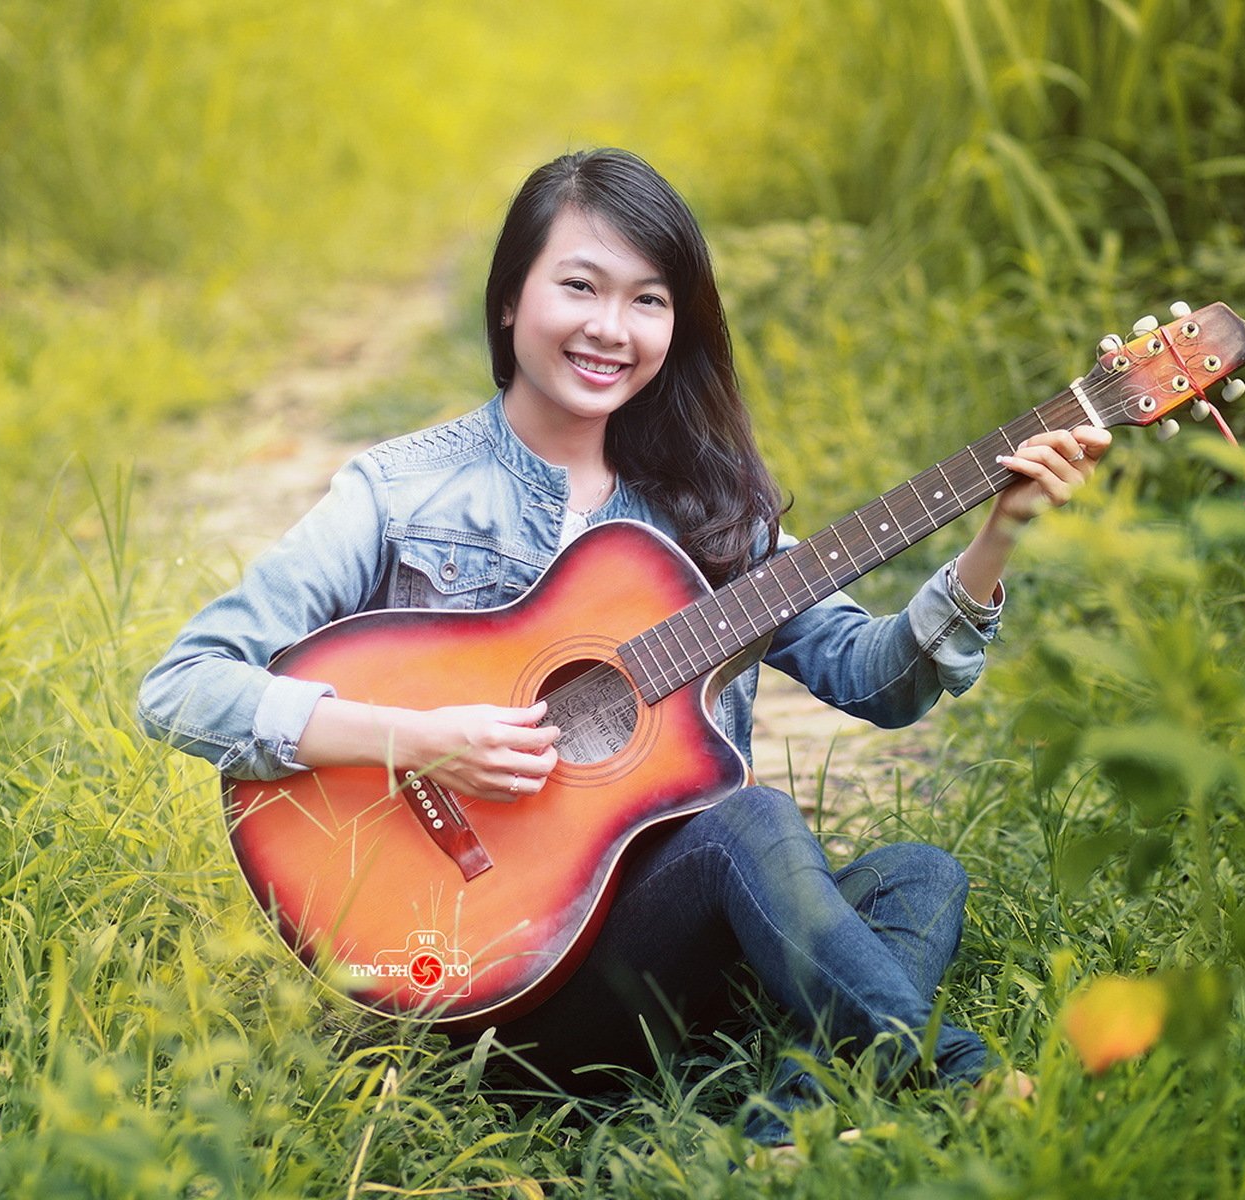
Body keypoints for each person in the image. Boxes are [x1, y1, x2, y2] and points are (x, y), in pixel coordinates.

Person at [136, 148, 1107, 1145]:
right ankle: (959, 1074)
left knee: (921, 874)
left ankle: (789, 1127)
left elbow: (878, 685)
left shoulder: (708, 507)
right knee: (752, 820)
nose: (612, 327)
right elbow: (181, 688)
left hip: (670, 958)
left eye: (648, 299)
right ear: (510, 299)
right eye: (580, 286)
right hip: (499, 986)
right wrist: (414, 740)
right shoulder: (396, 491)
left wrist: (997, 540)